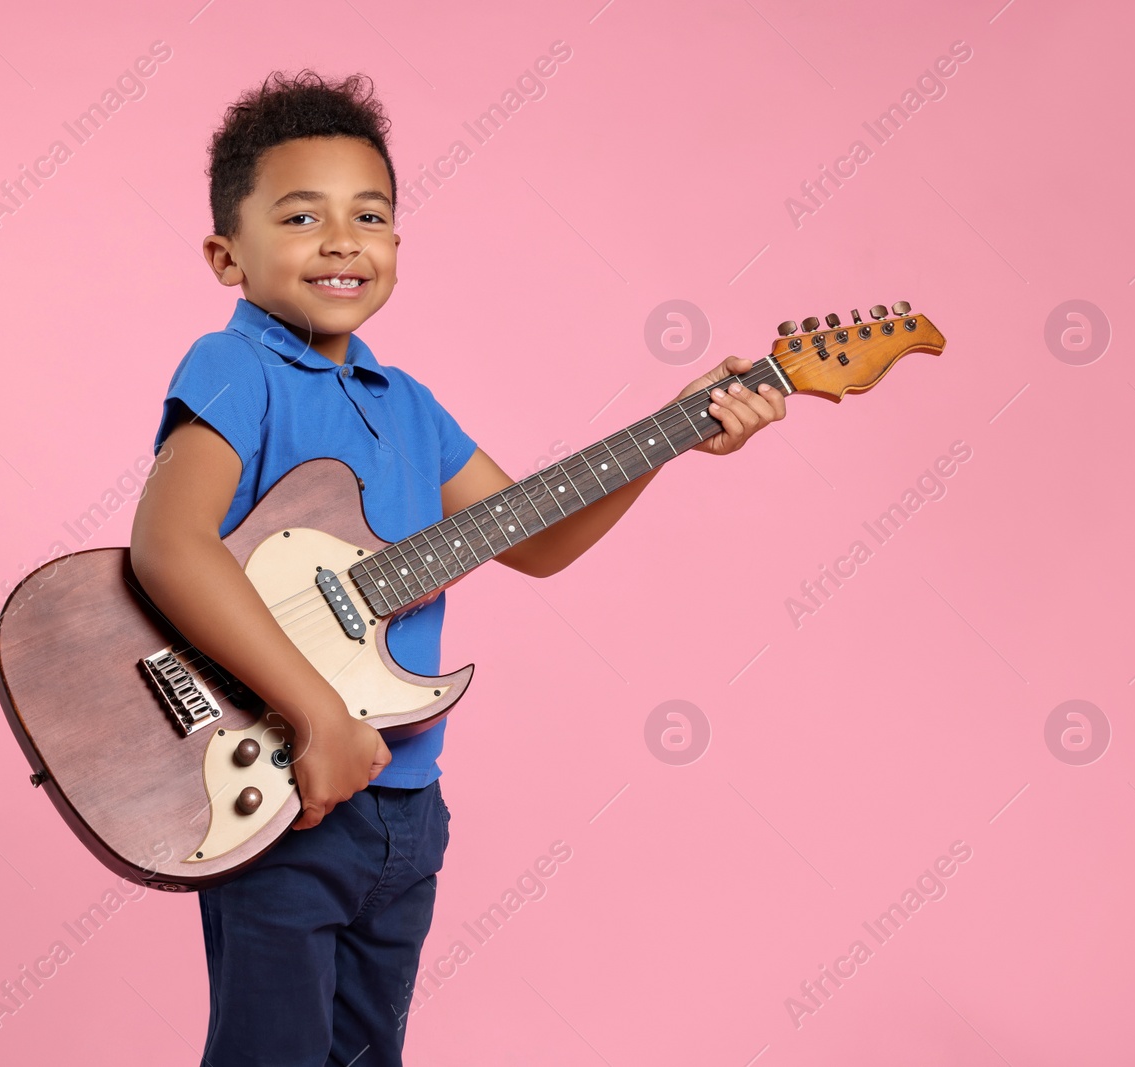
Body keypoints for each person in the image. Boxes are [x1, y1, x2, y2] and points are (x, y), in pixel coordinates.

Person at [128, 69, 786, 1067]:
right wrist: (315, 716)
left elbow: (533, 538)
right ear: (228, 253)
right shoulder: (235, 370)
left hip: (405, 807)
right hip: (286, 785)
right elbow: (168, 546)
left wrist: (677, 433)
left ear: (396, 244)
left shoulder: (410, 405)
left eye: (370, 215)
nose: (341, 238)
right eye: (300, 215)